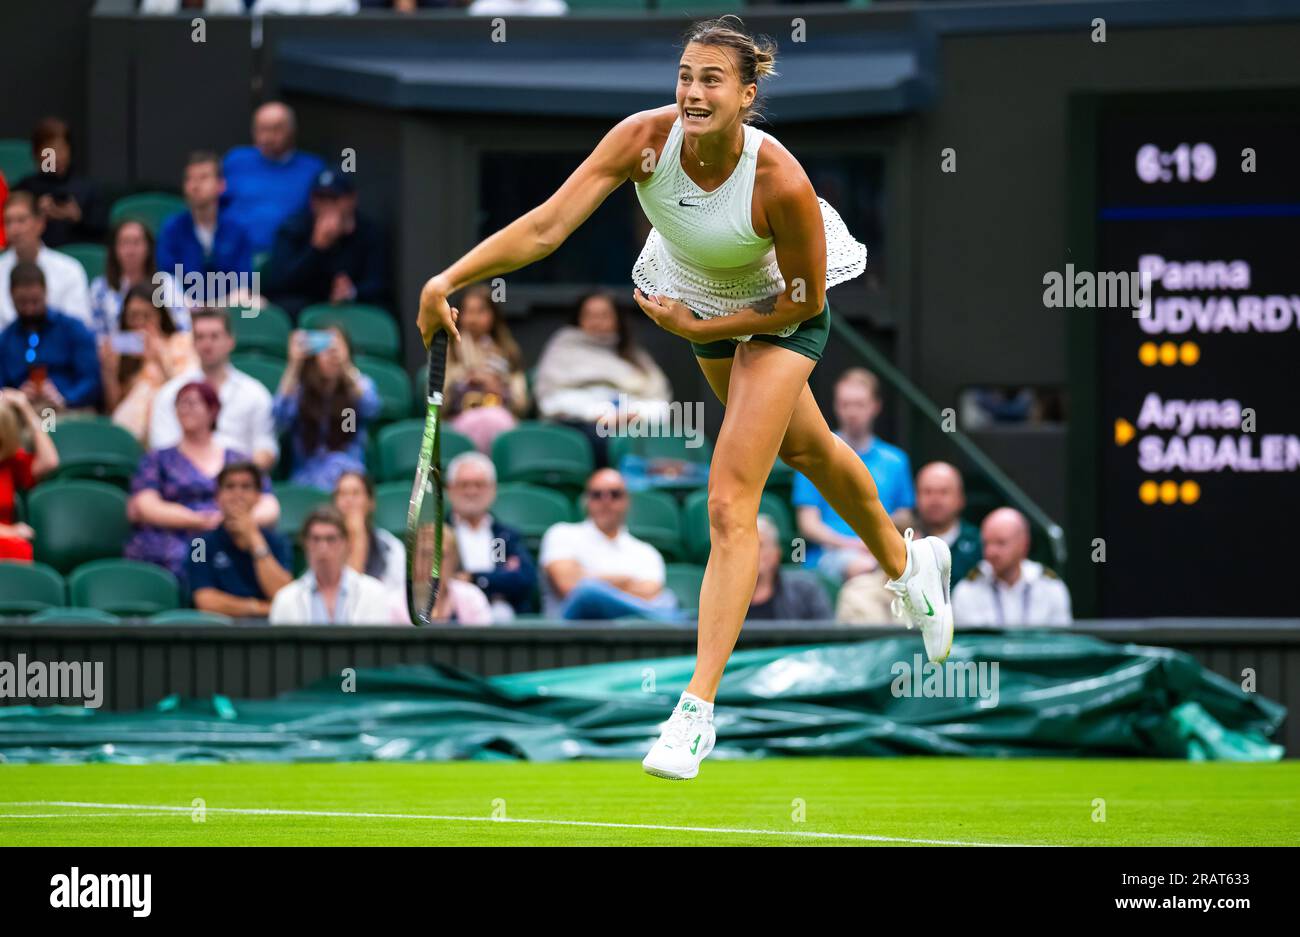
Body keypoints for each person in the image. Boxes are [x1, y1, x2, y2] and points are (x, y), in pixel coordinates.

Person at [415, 17, 953, 781]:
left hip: (777, 311)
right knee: (808, 449)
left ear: (746, 94)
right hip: (693, 296)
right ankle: (911, 564)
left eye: (712, 80)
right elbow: (546, 227)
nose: (693, 92)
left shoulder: (780, 182)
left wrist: (706, 326)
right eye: (685, 76)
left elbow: (801, 302)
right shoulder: (640, 139)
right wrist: (448, 279)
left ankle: (696, 711)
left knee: (732, 501)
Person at [126, 381, 280, 584]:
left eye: (193, 403)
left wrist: (233, 522)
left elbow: (269, 505)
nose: (185, 409)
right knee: (194, 557)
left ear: (212, 410)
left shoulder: (237, 459)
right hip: (177, 537)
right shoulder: (158, 459)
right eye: (181, 403)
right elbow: (145, 504)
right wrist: (196, 520)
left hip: (230, 536)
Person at [793, 367, 914, 580]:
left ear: (875, 406)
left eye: (859, 404)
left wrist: (876, 538)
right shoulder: (813, 456)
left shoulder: (895, 460)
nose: (851, 412)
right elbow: (808, 524)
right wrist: (853, 544)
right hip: (830, 553)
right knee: (865, 567)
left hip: (881, 548)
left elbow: (905, 515)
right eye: (845, 404)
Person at [533, 291, 671, 463]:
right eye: (589, 315)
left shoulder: (635, 357)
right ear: (579, 319)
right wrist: (596, 413)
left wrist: (634, 413)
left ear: (617, 320)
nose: (597, 322)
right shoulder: (563, 348)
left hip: (631, 425)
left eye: (604, 315)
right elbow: (550, 400)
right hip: (581, 427)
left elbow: (658, 401)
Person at [538, 468, 678, 622]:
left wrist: (587, 577)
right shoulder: (561, 533)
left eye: (615, 494)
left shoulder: (646, 551)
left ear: (627, 500)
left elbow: (650, 591)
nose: (606, 501)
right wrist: (627, 581)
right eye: (597, 495)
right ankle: (668, 619)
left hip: (628, 636)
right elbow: (569, 586)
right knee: (588, 592)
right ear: (586, 500)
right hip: (569, 634)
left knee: (666, 598)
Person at [149, 308, 279, 472]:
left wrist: (237, 476)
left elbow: (266, 448)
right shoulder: (170, 393)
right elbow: (162, 448)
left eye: (214, 336)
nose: (207, 344)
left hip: (238, 484)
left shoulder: (254, 393)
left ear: (231, 341)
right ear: (193, 343)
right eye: (200, 337)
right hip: (184, 483)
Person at [262, 168, 389, 317]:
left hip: (353, 308)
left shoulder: (369, 232)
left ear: (351, 199)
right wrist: (316, 248)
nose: (327, 205)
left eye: (334, 198)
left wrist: (352, 292)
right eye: (320, 198)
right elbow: (278, 284)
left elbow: (380, 283)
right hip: (305, 306)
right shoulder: (293, 228)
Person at [273, 326, 379, 490]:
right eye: (324, 347)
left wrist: (346, 367)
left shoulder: (357, 386)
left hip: (349, 478)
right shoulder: (300, 391)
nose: (331, 354)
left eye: (336, 348)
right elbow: (280, 417)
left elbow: (371, 407)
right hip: (307, 479)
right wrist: (294, 364)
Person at [190, 461, 294, 617]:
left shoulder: (279, 542)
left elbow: (284, 596)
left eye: (246, 487)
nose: (237, 494)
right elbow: (204, 600)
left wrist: (254, 538)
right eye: (230, 486)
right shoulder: (199, 544)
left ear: (258, 496)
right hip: (217, 630)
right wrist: (260, 608)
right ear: (217, 496)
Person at [221, 102, 326, 254]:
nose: (267, 137)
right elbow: (214, 202)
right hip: (230, 251)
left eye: (276, 129)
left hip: (281, 257)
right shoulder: (236, 160)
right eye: (261, 129)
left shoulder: (313, 168)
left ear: (292, 130)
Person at [98, 285, 197, 443]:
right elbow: (115, 406)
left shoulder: (181, 342)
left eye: (147, 315)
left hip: (171, 423)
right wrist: (109, 371)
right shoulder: (123, 354)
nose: (139, 323)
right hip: (132, 430)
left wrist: (158, 358)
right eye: (133, 316)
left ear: (160, 315)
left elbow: (187, 391)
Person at [445, 451, 537, 618]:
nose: (471, 491)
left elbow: (522, 578)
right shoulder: (438, 534)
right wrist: (496, 581)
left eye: (479, 484)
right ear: (450, 489)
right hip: (455, 617)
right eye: (464, 484)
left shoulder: (503, 536)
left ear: (493, 489)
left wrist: (473, 578)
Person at [269, 506, 396, 626]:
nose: (323, 548)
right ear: (305, 543)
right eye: (315, 539)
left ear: (345, 543)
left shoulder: (374, 594)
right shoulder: (285, 600)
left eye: (331, 539)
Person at [155, 152, 255, 303]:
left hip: (229, 314)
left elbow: (244, 284)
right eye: (190, 179)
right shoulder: (173, 229)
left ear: (221, 185)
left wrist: (214, 308)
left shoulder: (237, 230)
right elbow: (166, 282)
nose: (195, 185)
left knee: (254, 302)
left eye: (203, 178)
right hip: (184, 313)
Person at [0, 262, 100, 412]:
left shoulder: (72, 329)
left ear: (45, 291)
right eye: (22, 303)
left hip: (70, 412)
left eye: (35, 301)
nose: (29, 309)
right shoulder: (5, 340)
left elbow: (92, 380)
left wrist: (65, 398)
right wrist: (16, 397)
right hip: (20, 416)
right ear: (11, 296)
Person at [952, 507, 1072, 627]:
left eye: (1000, 543)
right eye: (986, 543)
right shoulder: (967, 589)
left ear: (1024, 545)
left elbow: (1061, 641)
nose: (990, 552)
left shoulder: (1050, 586)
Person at [443, 285, 529, 452]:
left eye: (480, 311)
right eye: (468, 311)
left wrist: (498, 387)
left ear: (493, 315)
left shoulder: (508, 351)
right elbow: (438, 398)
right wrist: (468, 378)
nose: (473, 318)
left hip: (501, 416)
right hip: (460, 418)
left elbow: (521, 403)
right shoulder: (449, 349)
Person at [0, 191, 90, 328]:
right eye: (8, 222)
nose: (14, 229)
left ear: (40, 223)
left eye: (21, 220)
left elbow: (78, 328)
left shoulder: (69, 270)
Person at [11, 117, 104, 248]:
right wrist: (35, 214)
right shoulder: (25, 189)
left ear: (70, 151)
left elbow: (101, 233)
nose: (56, 157)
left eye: (61, 149)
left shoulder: (88, 189)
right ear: (37, 153)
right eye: (49, 151)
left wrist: (78, 217)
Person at [88, 218, 186, 338]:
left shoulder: (167, 283)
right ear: (114, 249)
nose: (131, 250)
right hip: (116, 353)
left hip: (162, 352)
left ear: (148, 248)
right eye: (124, 243)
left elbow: (183, 329)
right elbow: (95, 335)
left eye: (136, 243)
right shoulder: (100, 288)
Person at [0, 388, 59, 561]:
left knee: (21, 552)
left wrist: (26, 408)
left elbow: (50, 461)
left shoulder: (9, 463)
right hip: (7, 539)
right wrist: (8, 531)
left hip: (9, 547)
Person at [333, 470, 405, 596]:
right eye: (342, 494)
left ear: (371, 502)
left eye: (355, 494)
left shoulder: (390, 546)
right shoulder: (325, 544)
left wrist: (359, 534)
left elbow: (397, 597)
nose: (348, 500)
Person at [747, 515, 833, 620]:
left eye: (760, 546)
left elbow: (826, 633)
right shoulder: (722, 595)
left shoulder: (805, 591)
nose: (752, 553)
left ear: (776, 554)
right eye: (746, 546)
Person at [915, 461, 982, 584]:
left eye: (944, 492)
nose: (935, 500)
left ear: (961, 498)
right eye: (927, 492)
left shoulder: (980, 543)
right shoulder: (905, 544)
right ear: (916, 497)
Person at [414, 523, 494, 625]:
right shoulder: (395, 601)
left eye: (440, 555)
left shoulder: (472, 597)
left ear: (454, 561)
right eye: (425, 554)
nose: (433, 564)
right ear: (413, 559)